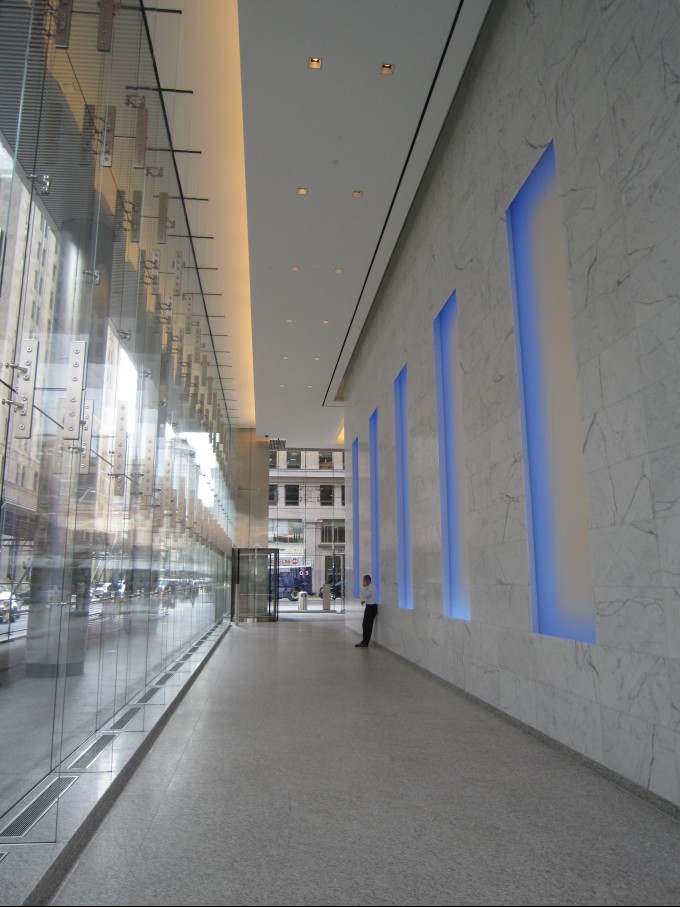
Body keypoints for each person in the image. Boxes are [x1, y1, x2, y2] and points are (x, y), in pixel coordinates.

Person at [355, 574, 378, 647]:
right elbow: (365, 597)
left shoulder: (372, 587)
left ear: (368, 581)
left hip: (372, 607)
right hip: (368, 607)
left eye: (364, 581)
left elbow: (365, 595)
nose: (363, 582)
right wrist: (363, 600)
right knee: (365, 624)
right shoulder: (369, 587)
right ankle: (364, 641)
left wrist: (363, 587)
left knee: (367, 625)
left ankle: (365, 642)